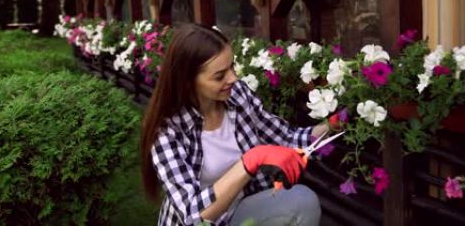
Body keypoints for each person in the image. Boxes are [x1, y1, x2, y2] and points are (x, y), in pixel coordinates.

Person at [140, 24, 331, 226]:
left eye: (232, 66)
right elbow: (193, 217)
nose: (233, 78)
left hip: (238, 212)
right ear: (188, 81)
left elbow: (286, 138)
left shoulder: (237, 95)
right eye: (220, 75)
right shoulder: (167, 132)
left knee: (302, 201)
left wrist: (333, 125)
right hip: (205, 222)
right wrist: (250, 162)